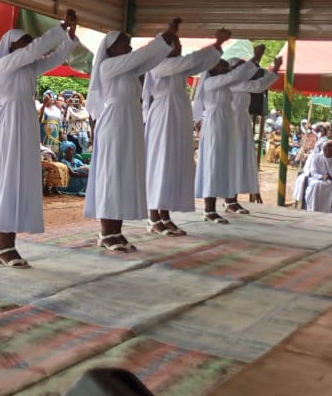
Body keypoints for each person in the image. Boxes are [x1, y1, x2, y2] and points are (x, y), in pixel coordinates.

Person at [0, 14, 78, 267]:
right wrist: (60, 29)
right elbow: (36, 49)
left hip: (24, 124)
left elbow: (54, 58)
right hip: (10, 124)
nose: (29, 45)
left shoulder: (28, 67)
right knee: (8, 179)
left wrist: (69, 38)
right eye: (24, 41)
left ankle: (9, 245)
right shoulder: (6, 64)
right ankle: (3, 247)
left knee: (20, 180)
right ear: (11, 45)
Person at [83, 20, 179, 251]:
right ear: (112, 48)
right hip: (114, 124)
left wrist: (166, 42)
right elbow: (141, 56)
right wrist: (164, 36)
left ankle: (116, 231)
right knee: (111, 177)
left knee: (124, 177)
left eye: (129, 43)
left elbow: (149, 60)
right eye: (124, 43)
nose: (129, 47)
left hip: (129, 125)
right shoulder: (109, 66)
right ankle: (106, 233)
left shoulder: (128, 69)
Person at [142, 28, 229, 236]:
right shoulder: (159, 64)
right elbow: (191, 61)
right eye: (177, 44)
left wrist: (217, 49)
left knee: (172, 165)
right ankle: (153, 217)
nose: (181, 48)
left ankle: (164, 215)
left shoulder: (177, 67)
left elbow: (199, 64)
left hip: (177, 117)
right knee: (161, 164)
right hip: (164, 116)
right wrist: (216, 44)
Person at [193, 54, 281, 222]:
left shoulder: (227, 84)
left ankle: (229, 200)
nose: (227, 71)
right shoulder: (212, 82)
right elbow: (249, 82)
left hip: (227, 124)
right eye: (224, 68)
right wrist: (255, 59)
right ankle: (209, 209)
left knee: (228, 163)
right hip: (215, 124)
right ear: (214, 70)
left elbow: (252, 81)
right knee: (213, 163)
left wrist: (266, 69)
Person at [228, 46, 281, 211]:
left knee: (240, 160)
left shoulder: (241, 84)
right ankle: (229, 199)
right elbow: (259, 85)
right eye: (240, 68)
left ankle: (232, 199)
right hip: (233, 125)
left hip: (242, 123)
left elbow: (258, 85)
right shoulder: (233, 84)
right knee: (233, 161)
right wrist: (275, 70)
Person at [303, 141, 332, 213]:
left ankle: (331, 212)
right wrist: (322, 177)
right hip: (318, 179)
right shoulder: (316, 158)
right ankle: (314, 209)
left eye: (331, 147)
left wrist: (331, 178)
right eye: (327, 147)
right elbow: (313, 172)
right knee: (316, 185)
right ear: (323, 148)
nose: (329, 149)